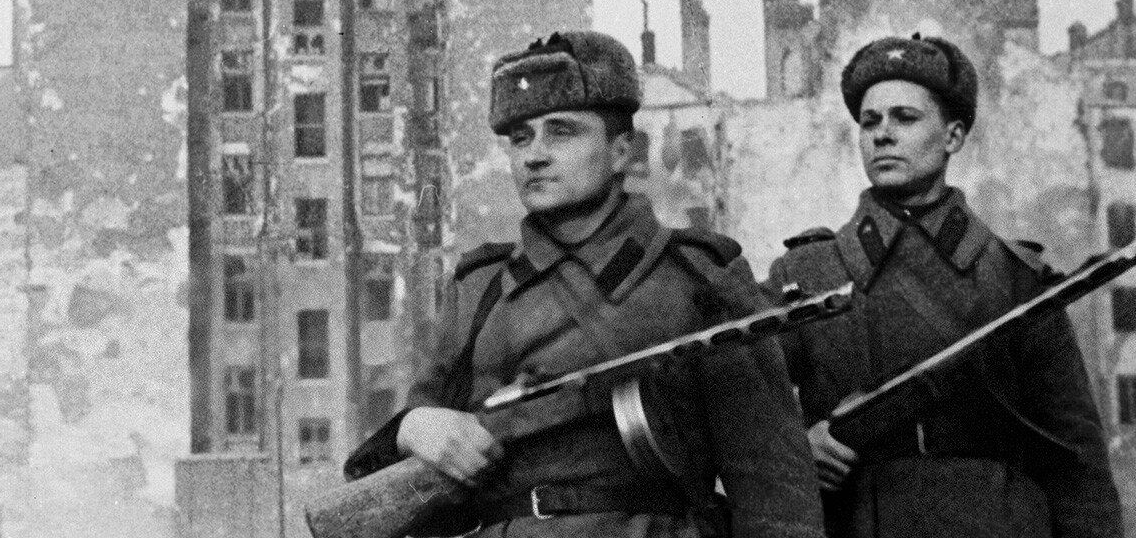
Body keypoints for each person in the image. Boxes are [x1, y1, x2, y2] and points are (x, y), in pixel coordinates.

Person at [345, 31, 824, 538]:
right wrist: (413, 428)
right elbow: (383, 478)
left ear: (620, 151)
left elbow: (777, 499)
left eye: (561, 131)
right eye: (520, 137)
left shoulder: (698, 279)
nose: (535, 155)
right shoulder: (478, 289)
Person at [766, 34, 1121, 538]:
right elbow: (736, 413)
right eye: (870, 122)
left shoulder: (1015, 278)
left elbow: (1077, 463)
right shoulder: (809, 275)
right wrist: (798, 445)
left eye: (904, 118)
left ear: (952, 137)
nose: (882, 135)